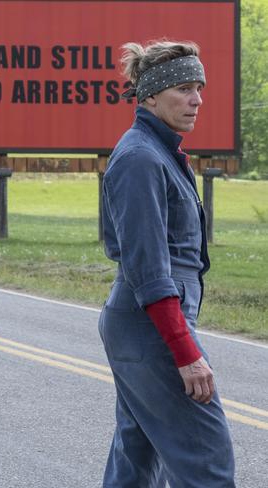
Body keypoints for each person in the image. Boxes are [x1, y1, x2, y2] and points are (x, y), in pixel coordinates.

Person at [99, 40, 236, 487]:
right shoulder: (140, 158)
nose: (196, 99)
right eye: (183, 88)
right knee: (206, 461)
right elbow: (149, 270)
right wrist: (186, 352)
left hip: (145, 322)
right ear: (151, 96)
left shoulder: (157, 151)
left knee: (138, 456)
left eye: (199, 87)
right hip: (151, 323)